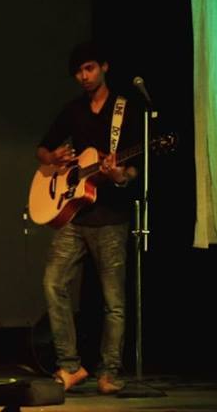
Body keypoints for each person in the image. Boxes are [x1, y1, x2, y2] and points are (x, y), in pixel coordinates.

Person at [37, 41, 138, 395]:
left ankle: (110, 372)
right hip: (75, 216)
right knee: (53, 283)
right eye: (78, 71)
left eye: (89, 68)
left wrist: (119, 175)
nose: (84, 76)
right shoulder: (73, 110)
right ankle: (70, 366)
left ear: (104, 67)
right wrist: (55, 157)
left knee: (114, 301)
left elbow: (133, 171)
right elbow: (43, 149)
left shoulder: (125, 109)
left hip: (110, 217)